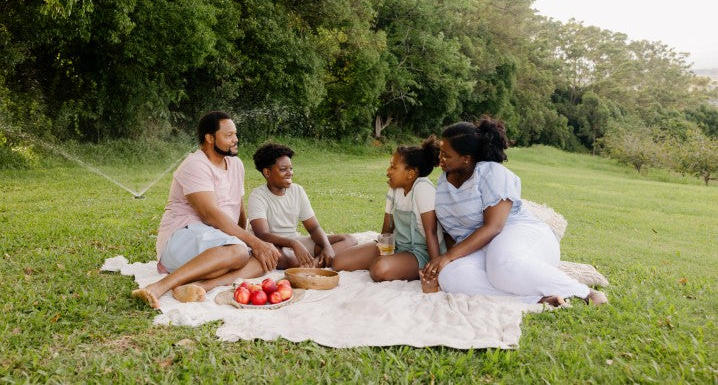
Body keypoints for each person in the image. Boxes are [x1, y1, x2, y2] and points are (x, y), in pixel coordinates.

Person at [421, 118, 607, 306]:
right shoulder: (444, 181)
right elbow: (452, 232)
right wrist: (444, 261)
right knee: (451, 276)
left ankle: (585, 293)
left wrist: (448, 257)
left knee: (501, 266)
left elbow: (494, 227)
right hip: (481, 249)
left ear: (466, 158)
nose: (440, 159)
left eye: (446, 155)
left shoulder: (491, 173)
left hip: (520, 235)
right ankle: (536, 299)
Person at [131, 111, 281, 309]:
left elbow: (238, 207)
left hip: (216, 242)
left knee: (264, 260)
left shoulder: (236, 164)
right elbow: (210, 215)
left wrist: (252, 244)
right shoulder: (195, 165)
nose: (235, 140)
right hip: (181, 238)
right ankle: (159, 286)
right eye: (228, 136)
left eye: (235, 134)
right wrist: (251, 242)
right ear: (210, 138)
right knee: (240, 252)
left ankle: (201, 285)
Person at [333, 136, 446, 281]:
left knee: (378, 269)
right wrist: (382, 251)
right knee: (338, 262)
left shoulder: (423, 188)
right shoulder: (394, 188)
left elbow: (431, 234)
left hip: (421, 252)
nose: (388, 171)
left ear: (410, 173)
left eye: (393, 167)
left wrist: (435, 268)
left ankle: (396, 265)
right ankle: (394, 264)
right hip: (396, 246)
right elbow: (386, 230)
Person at [247, 143, 357, 269]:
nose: (290, 173)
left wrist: (327, 247)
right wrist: (293, 244)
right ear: (267, 172)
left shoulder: (297, 190)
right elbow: (263, 234)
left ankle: (311, 266)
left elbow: (314, 228)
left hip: (295, 241)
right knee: (289, 259)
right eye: (283, 169)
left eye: (291, 168)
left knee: (349, 240)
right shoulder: (258, 196)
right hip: (273, 245)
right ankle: (314, 263)